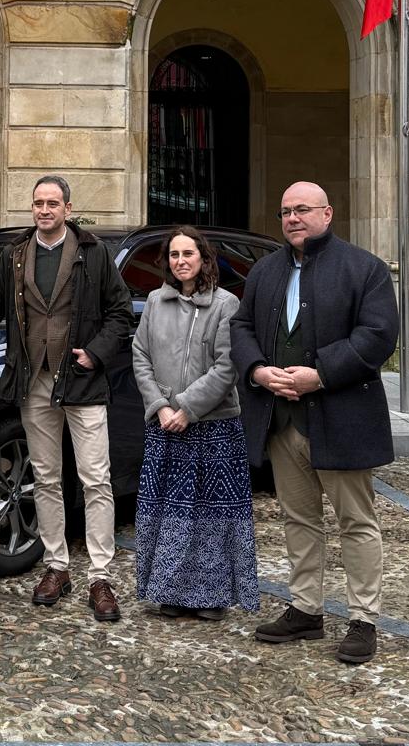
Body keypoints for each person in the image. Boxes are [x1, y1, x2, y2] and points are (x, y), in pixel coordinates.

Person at [230, 182, 398, 664]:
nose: (292, 219)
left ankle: (364, 619)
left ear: (327, 213)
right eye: (285, 212)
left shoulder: (364, 269)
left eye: (302, 210)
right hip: (281, 421)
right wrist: (258, 371)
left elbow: (378, 335)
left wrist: (320, 375)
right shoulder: (265, 270)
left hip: (340, 417)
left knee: (356, 522)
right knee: (298, 519)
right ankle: (306, 609)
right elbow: (240, 326)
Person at [0, 175, 131, 622]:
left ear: (67, 209)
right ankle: (56, 566)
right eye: (38, 203)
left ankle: (99, 575)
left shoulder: (94, 254)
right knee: (47, 479)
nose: (45, 210)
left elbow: (120, 312)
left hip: (82, 382)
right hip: (33, 381)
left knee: (96, 480)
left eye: (53, 203)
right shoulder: (15, 255)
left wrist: (95, 354)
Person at [131, 226, 259, 621]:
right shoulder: (155, 301)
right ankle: (168, 591)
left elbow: (226, 366)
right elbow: (140, 355)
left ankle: (212, 596)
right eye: (174, 254)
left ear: (204, 258)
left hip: (212, 426)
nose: (181, 261)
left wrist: (188, 407)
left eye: (188, 254)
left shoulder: (225, 305)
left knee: (211, 515)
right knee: (169, 513)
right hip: (165, 424)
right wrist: (160, 406)